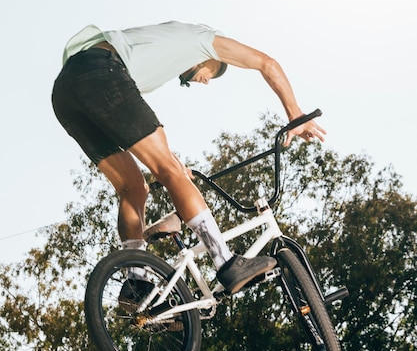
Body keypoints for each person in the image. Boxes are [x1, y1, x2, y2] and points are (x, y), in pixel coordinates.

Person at [52, 21, 325, 300]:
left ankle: (136, 284)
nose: (207, 80)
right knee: (169, 171)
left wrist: (172, 161)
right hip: (99, 70)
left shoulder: (160, 49)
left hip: (65, 93)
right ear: (208, 56)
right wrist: (295, 115)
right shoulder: (201, 38)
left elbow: (127, 113)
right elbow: (267, 63)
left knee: (132, 188)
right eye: (214, 71)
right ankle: (226, 262)